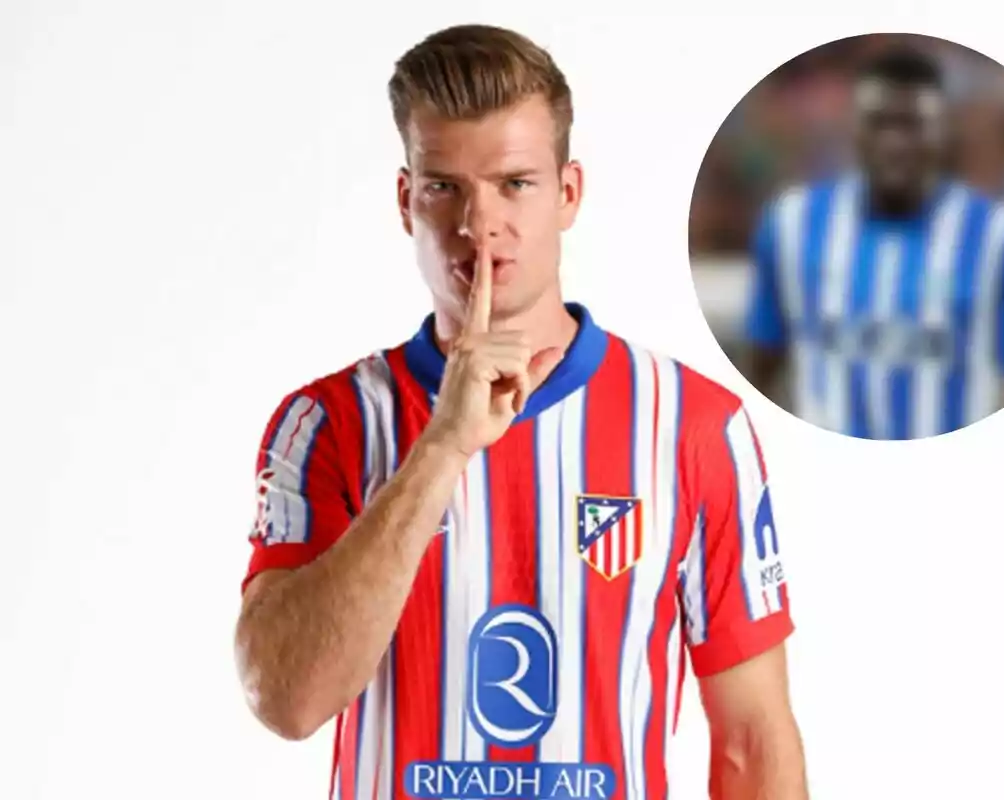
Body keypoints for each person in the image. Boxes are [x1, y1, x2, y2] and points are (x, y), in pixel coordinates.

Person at [234, 24, 808, 800]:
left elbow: (751, 742)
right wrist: (441, 447)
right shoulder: (328, 422)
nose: (479, 224)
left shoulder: (694, 427)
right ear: (408, 201)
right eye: (445, 187)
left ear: (569, 193)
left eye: (514, 183)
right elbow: (286, 700)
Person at [743, 46, 1004, 440]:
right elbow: (761, 366)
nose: (895, 141)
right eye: (879, 123)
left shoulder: (999, 238)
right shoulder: (791, 226)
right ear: (854, 129)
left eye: (912, 124)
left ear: (944, 132)